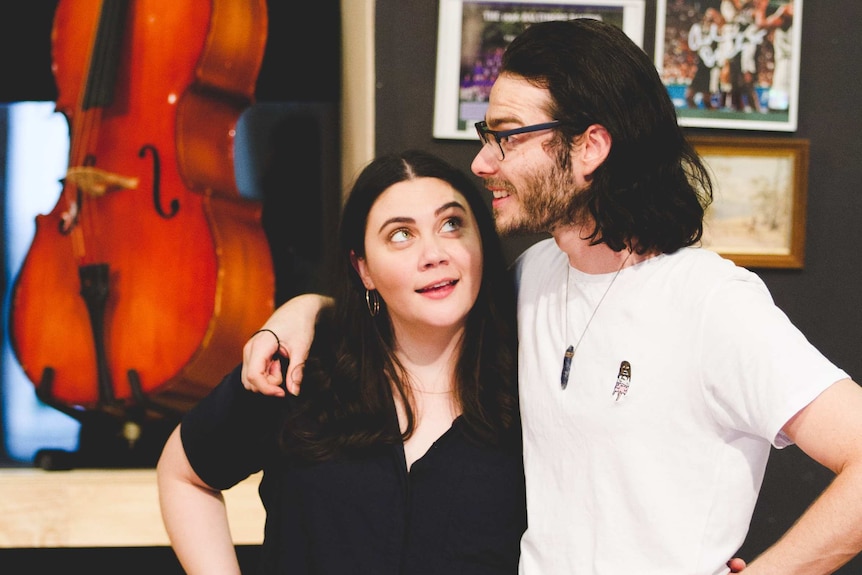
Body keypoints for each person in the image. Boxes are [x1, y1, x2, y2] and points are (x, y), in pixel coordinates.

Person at [241, 19, 862, 575]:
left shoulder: (712, 303)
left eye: (507, 135)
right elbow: (414, 313)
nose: (483, 162)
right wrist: (309, 310)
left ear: (589, 147)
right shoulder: (533, 276)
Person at [157, 150, 526, 574]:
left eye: (451, 224)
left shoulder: (530, 389)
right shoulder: (302, 371)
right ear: (363, 268)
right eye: (401, 235)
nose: (433, 253)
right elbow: (184, 475)